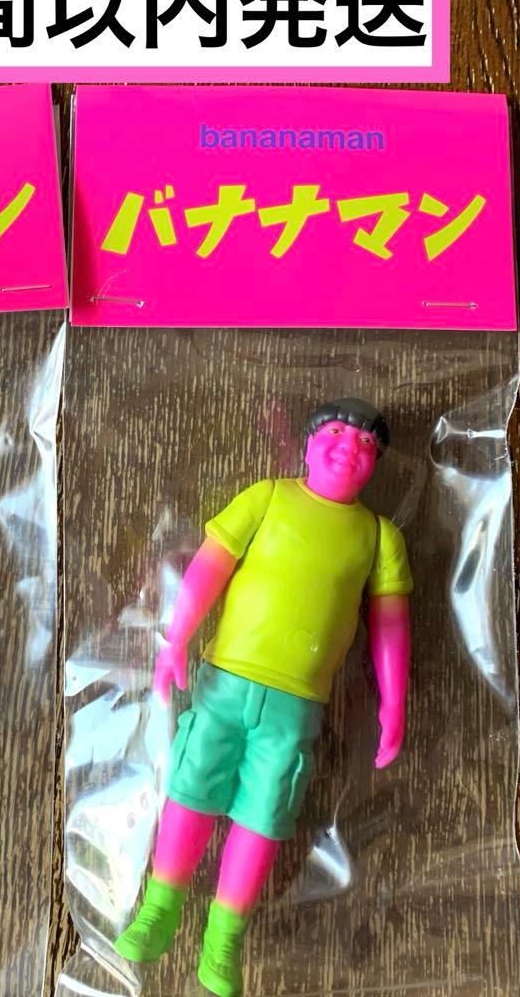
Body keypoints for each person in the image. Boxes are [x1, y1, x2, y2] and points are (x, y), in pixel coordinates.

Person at [115, 398, 412, 997]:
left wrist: (394, 700)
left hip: (297, 707)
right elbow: (209, 566)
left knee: (265, 817)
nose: (349, 448)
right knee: (191, 789)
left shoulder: (379, 537)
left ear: (376, 462)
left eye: (365, 445)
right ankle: (159, 909)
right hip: (224, 680)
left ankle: (223, 939)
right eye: (337, 432)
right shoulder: (267, 497)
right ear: (308, 444)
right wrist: (176, 638)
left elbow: (391, 623)